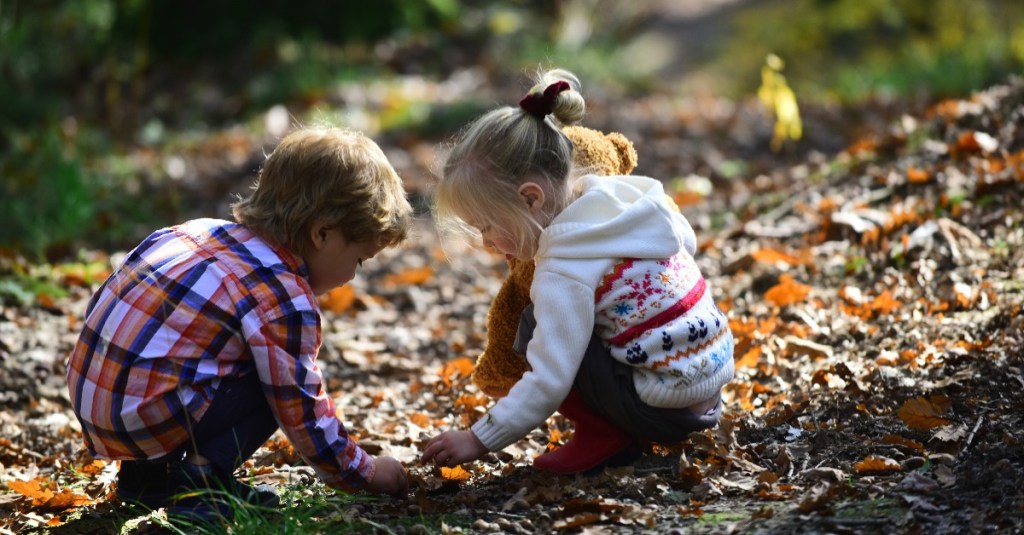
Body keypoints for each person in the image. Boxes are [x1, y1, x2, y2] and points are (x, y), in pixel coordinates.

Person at [66, 126, 412, 520]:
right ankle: (202, 486)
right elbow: (301, 408)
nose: (353, 276)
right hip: (148, 416)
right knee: (277, 378)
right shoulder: (284, 298)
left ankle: (145, 478)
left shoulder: (192, 231)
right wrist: (363, 472)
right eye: (359, 260)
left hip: (94, 404)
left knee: (196, 351)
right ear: (322, 234)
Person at [422, 69, 735, 474]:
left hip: (664, 413)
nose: (486, 243)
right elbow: (686, 243)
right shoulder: (628, 196)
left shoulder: (564, 269)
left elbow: (550, 379)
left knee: (536, 322)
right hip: (711, 391)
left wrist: (478, 438)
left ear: (530, 199)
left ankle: (605, 435)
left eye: (487, 226)